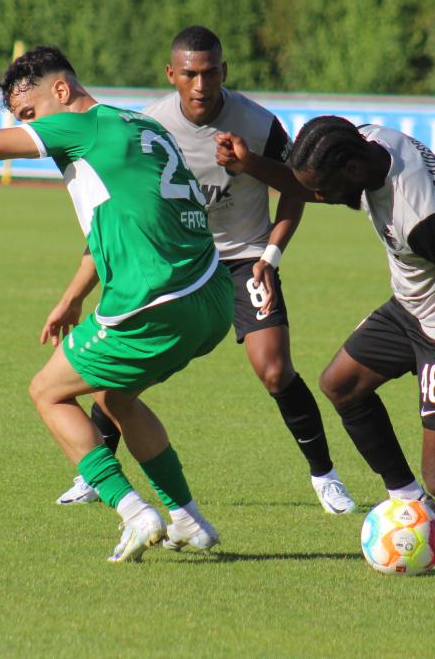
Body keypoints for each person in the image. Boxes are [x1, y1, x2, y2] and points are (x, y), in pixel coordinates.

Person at [0, 46, 233, 562]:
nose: (29, 128)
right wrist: (74, 297)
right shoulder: (142, 124)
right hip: (211, 294)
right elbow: (124, 219)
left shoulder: (81, 126)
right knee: (114, 398)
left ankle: (133, 511)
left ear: (61, 90)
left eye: (29, 115)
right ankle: (187, 519)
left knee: (47, 392)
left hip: (156, 301)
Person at [214, 115, 435, 577]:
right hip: (412, 306)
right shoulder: (365, 142)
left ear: (350, 172)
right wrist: (251, 165)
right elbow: (306, 180)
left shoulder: (426, 218)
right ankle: (409, 499)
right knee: (341, 384)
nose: (319, 199)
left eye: (323, 191)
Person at [55, 26, 355, 514]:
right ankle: (94, 473)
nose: (201, 84)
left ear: (224, 72)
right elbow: (119, 203)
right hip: (176, 263)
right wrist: (84, 286)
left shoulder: (258, 123)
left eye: (210, 72)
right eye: (190, 74)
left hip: (245, 259)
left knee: (275, 370)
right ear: (171, 74)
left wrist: (270, 251)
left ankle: (325, 475)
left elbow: (298, 188)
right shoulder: (145, 124)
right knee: (122, 375)